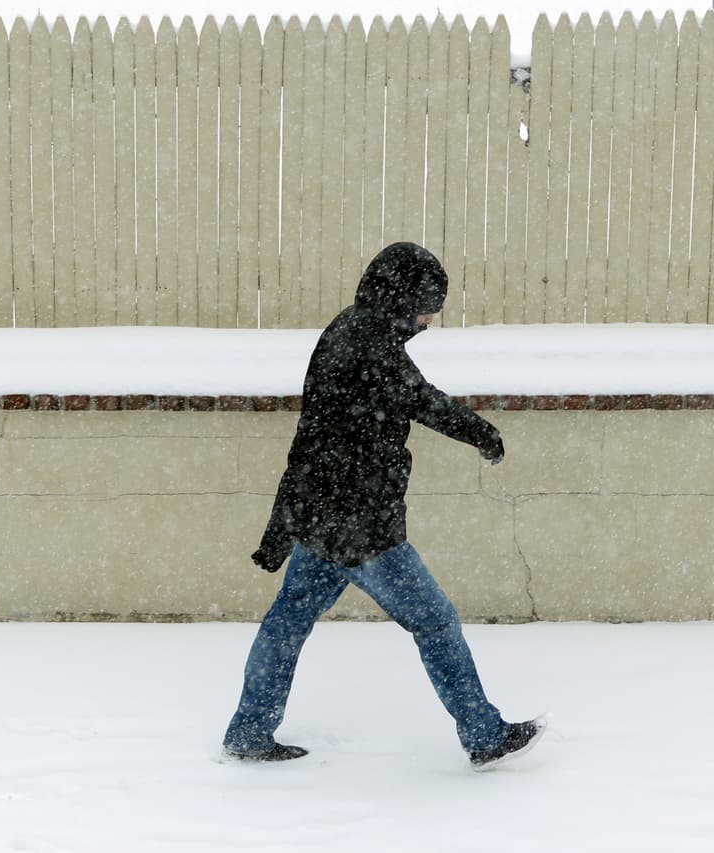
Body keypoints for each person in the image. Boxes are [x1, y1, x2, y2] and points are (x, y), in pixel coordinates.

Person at [222, 242, 545, 770]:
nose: (427, 322)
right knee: (436, 622)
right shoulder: (370, 346)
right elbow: (423, 400)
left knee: (286, 625)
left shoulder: (349, 329)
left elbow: (312, 437)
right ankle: (484, 734)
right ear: (399, 298)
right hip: (361, 527)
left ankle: (249, 732)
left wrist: (287, 522)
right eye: (424, 309)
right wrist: (483, 433)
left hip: (324, 515)